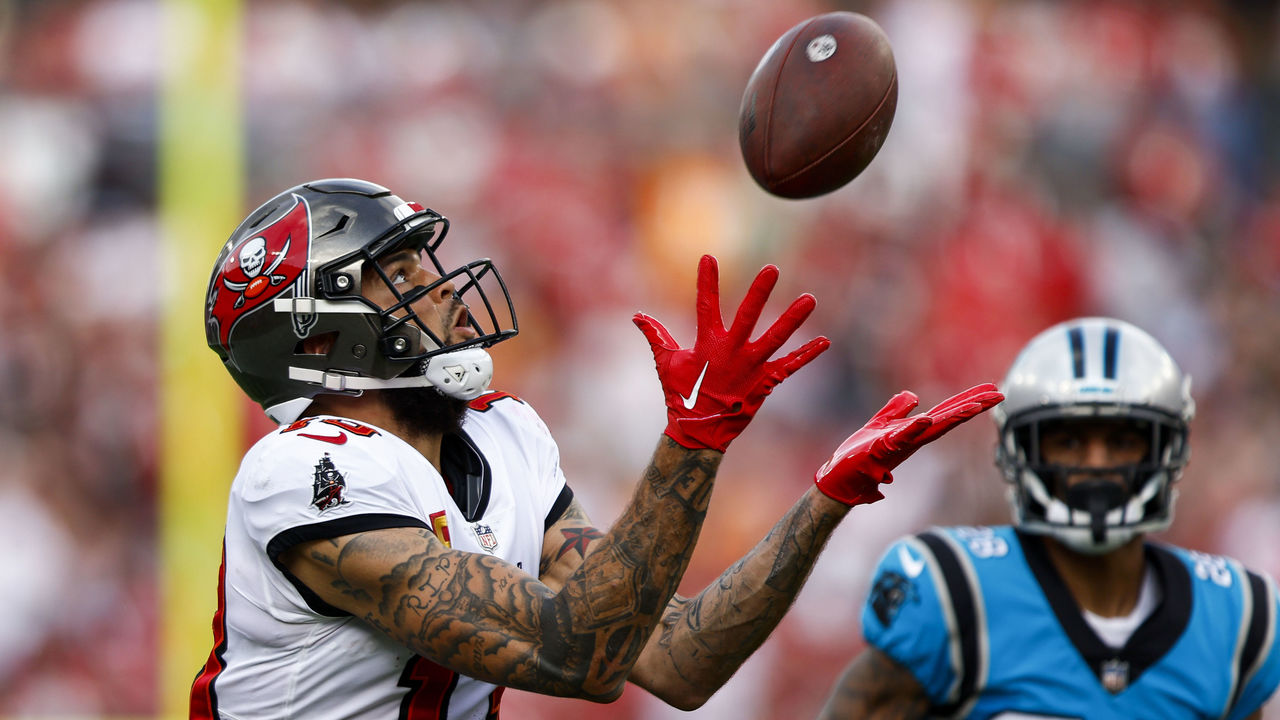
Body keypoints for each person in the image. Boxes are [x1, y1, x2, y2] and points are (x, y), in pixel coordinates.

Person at [190, 177, 1003, 719]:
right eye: (397, 273)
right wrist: (693, 440)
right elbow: (578, 655)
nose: (438, 286)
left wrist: (825, 498)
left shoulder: (501, 432)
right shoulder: (302, 473)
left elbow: (679, 660)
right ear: (323, 335)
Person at [818, 317, 1280, 720]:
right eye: (1070, 442)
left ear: (1167, 451)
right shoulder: (955, 591)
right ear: (1022, 451)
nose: (1097, 464)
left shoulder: (1236, 616)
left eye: (1121, 442)